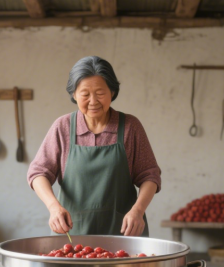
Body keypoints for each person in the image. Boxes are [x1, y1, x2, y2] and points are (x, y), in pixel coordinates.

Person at [27, 56, 161, 237]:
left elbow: (149, 175)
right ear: (74, 94)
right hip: (71, 236)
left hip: (123, 236)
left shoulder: (131, 126)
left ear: (112, 92)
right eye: (85, 94)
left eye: (100, 93)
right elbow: (38, 173)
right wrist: (53, 207)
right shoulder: (63, 127)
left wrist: (138, 211)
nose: (93, 101)